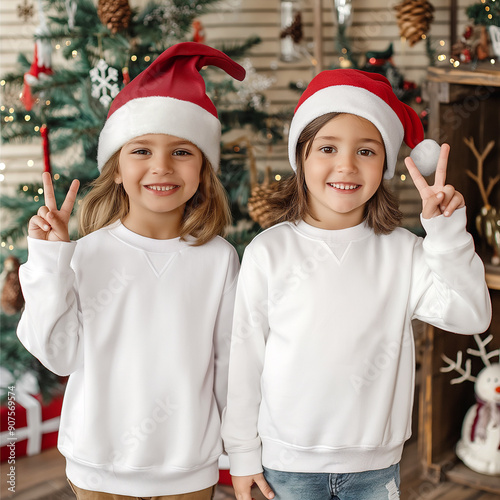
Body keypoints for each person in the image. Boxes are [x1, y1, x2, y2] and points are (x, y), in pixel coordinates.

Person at [221, 69, 492, 500]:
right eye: (327, 148)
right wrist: (241, 454)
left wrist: (447, 236)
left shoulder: (404, 252)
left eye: (366, 151)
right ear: (300, 158)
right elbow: (245, 359)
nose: (346, 165)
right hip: (285, 465)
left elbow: (471, 315)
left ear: (385, 165)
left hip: (374, 469)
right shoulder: (268, 251)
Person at [17, 42, 245, 500]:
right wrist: (49, 261)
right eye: (141, 150)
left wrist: (239, 451)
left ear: (203, 169)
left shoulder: (219, 258)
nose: (161, 166)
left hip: (190, 468)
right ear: (117, 169)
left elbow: (230, 367)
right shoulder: (83, 254)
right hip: (100, 468)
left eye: (182, 151)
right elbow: (57, 354)